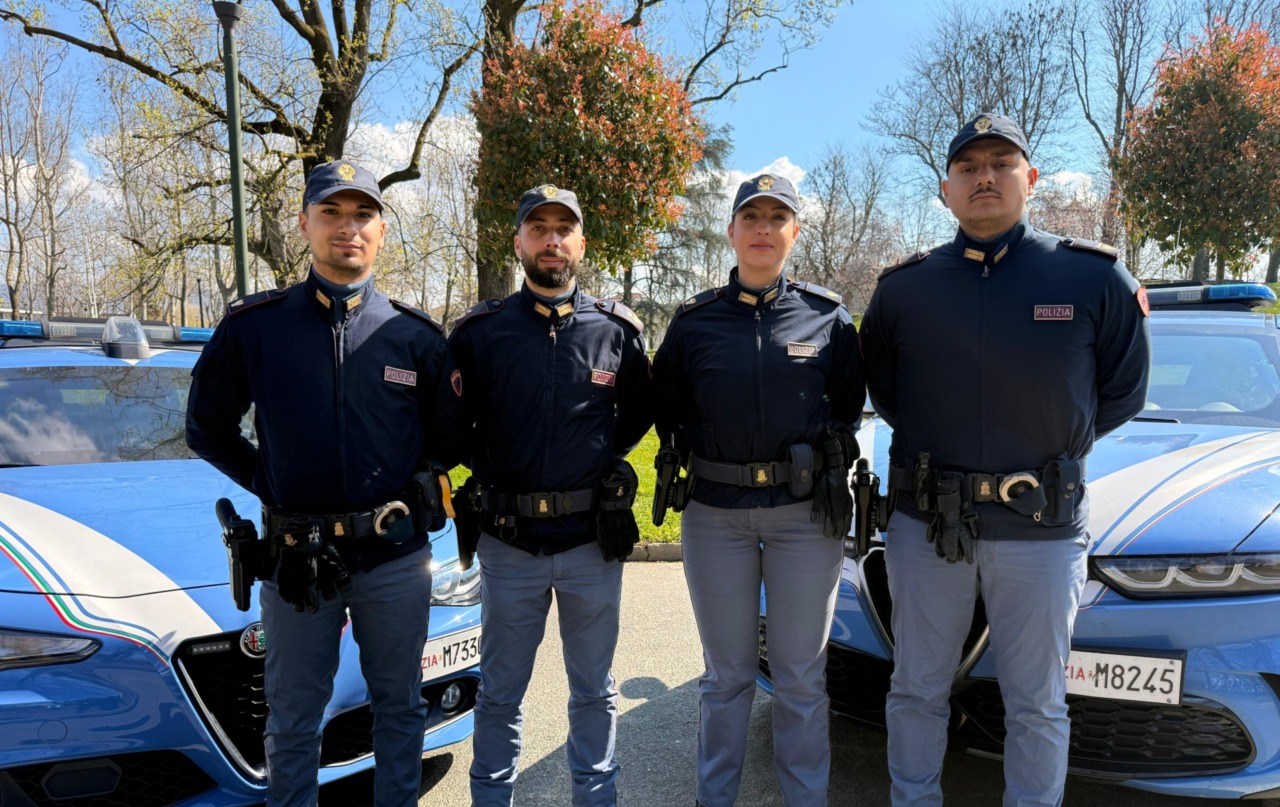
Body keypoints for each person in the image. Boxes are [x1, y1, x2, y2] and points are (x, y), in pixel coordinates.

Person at [859, 113, 1151, 807]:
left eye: (1001, 162)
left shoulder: (1095, 278)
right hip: (929, 524)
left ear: (1031, 178)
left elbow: (1121, 393)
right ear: (945, 189)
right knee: (916, 688)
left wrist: (1042, 453)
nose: (984, 176)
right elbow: (889, 395)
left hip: (1041, 527)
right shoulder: (904, 289)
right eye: (968, 167)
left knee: (1037, 702)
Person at [186, 160, 465, 807]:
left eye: (362, 213)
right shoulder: (255, 328)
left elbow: (450, 438)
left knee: (398, 707)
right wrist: (271, 481)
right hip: (294, 562)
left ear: (383, 229)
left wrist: (402, 486)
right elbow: (207, 426)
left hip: (395, 560)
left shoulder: (414, 336)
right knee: (292, 721)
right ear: (304, 222)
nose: (348, 227)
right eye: (332, 213)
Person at [652, 173, 865, 807]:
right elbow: (665, 406)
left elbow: (849, 406)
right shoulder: (694, 323)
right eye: (752, 217)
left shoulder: (828, 317)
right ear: (733, 232)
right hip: (716, 516)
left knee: (801, 677)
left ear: (794, 233)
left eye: (778, 218)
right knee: (727, 677)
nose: (764, 229)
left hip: (803, 517)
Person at [448, 183, 653, 807]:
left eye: (564, 229)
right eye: (538, 228)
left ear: (582, 243)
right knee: (501, 692)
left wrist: (601, 462)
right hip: (509, 545)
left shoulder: (614, 330)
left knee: (594, 689)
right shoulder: (480, 333)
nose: (552, 240)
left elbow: (639, 413)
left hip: (591, 541)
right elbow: (455, 426)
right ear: (518, 242)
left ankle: (596, 799)